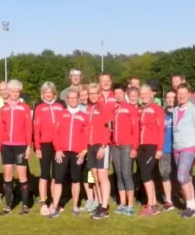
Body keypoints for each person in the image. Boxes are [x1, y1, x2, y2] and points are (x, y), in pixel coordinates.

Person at [49, 88, 89, 217]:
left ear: (78, 99)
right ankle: (55, 206)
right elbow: (55, 133)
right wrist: (57, 149)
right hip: (62, 152)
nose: (72, 100)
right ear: (67, 99)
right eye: (70, 98)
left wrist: (84, 151)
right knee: (58, 179)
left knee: (76, 180)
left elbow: (87, 135)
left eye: (74, 98)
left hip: (77, 152)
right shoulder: (61, 114)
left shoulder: (84, 116)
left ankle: (75, 206)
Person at [0, 79, 33, 216]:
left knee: (22, 176)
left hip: (20, 146)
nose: (15, 94)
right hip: (6, 146)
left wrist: (28, 146)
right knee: (7, 175)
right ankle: (8, 206)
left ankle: (25, 205)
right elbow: (1, 130)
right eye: (13, 91)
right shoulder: (3, 109)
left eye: (17, 91)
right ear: (8, 92)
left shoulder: (25, 108)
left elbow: (29, 128)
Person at [172, 83, 195, 218]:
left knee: (181, 177)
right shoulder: (175, 110)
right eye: (179, 94)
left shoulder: (194, 110)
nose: (181, 96)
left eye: (184, 93)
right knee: (187, 178)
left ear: (189, 94)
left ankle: (190, 206)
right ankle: (192, 206)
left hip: (189, 146)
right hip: (177, 146)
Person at [33, 82, 64, 215]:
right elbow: (36, 128)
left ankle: (54, 202)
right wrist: (37, 147)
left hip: (58, 145)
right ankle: (43, 202)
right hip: (44, 144)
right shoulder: (39, 107)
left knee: (56, 174)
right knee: (44, 173)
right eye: (46, 92)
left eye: (50, 92)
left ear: (54, 93)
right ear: (43, 93)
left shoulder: (60, 106)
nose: (48, 94)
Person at [85, 83, 115, 219]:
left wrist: (103, 146)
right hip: (90, 145)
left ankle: (104, 207)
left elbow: (110, 128)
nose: (92, 96)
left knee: (103, 177)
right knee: (95, 177)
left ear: (99, 94)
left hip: (101, 145)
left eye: (95, 93)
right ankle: (100, 203)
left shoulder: (104, 107)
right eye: (90, 93)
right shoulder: (88, 108)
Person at [136, 84, 166, 216]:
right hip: (141, 146)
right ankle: (153, 204)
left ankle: (151, 204)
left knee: (146, 175)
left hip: (152, 146)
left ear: (151, 94)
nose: (144, 96)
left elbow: (161, 130)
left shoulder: (157, 109)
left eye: (146, 93)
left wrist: (159, 148)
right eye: (141, 94)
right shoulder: (139, 109)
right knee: (147, 175)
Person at [111, 84, 140, 216]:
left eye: (120, 93)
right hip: (115, 146)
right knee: (118, 173)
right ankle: (122, 203)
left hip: (127, 145)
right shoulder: (114, 109)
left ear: (125, 94)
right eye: (116, 94)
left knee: (126, 174)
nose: (118, 96)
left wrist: (134, 147)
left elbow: (136, 130)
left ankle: (130, 205)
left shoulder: (130, 109)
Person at [158, 90, 177, 211]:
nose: (170, 99)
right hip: (165, 148)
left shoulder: (180, 112)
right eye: (168, 97)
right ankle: (168, 200)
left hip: (178, 148)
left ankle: (181, 196)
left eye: (173, 97)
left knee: (179, 174)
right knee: (165, 173)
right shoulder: (161, 113)